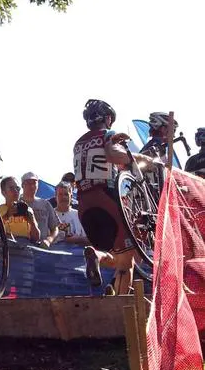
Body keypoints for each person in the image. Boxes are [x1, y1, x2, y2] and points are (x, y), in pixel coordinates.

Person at [74, 98, 155, 295]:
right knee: (127, 263)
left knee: (118, 256)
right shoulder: (107, 135)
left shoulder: (78, 143)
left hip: (84, 205)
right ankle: (120, 310)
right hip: (106, 197)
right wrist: (145, 160)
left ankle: (96, 256)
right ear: (108, 118)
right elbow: (113, 155)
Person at [0, 176, 40, 242]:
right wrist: (7, 215)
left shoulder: (27, 209)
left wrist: (32, 222)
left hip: (25, 247)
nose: (16, 191)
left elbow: (36, 238)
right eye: (11, 188)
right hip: (5, 246)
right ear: (3, 192)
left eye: (18, 188)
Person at [20, 172, 59, 247]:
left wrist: (49, 240)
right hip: (21, 248)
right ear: (22, 185)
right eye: (28, 183)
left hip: (42, 248)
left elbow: (55, 228)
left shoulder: (45, 204)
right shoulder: (17, 204)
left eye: (34, 183)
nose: (31, 186)